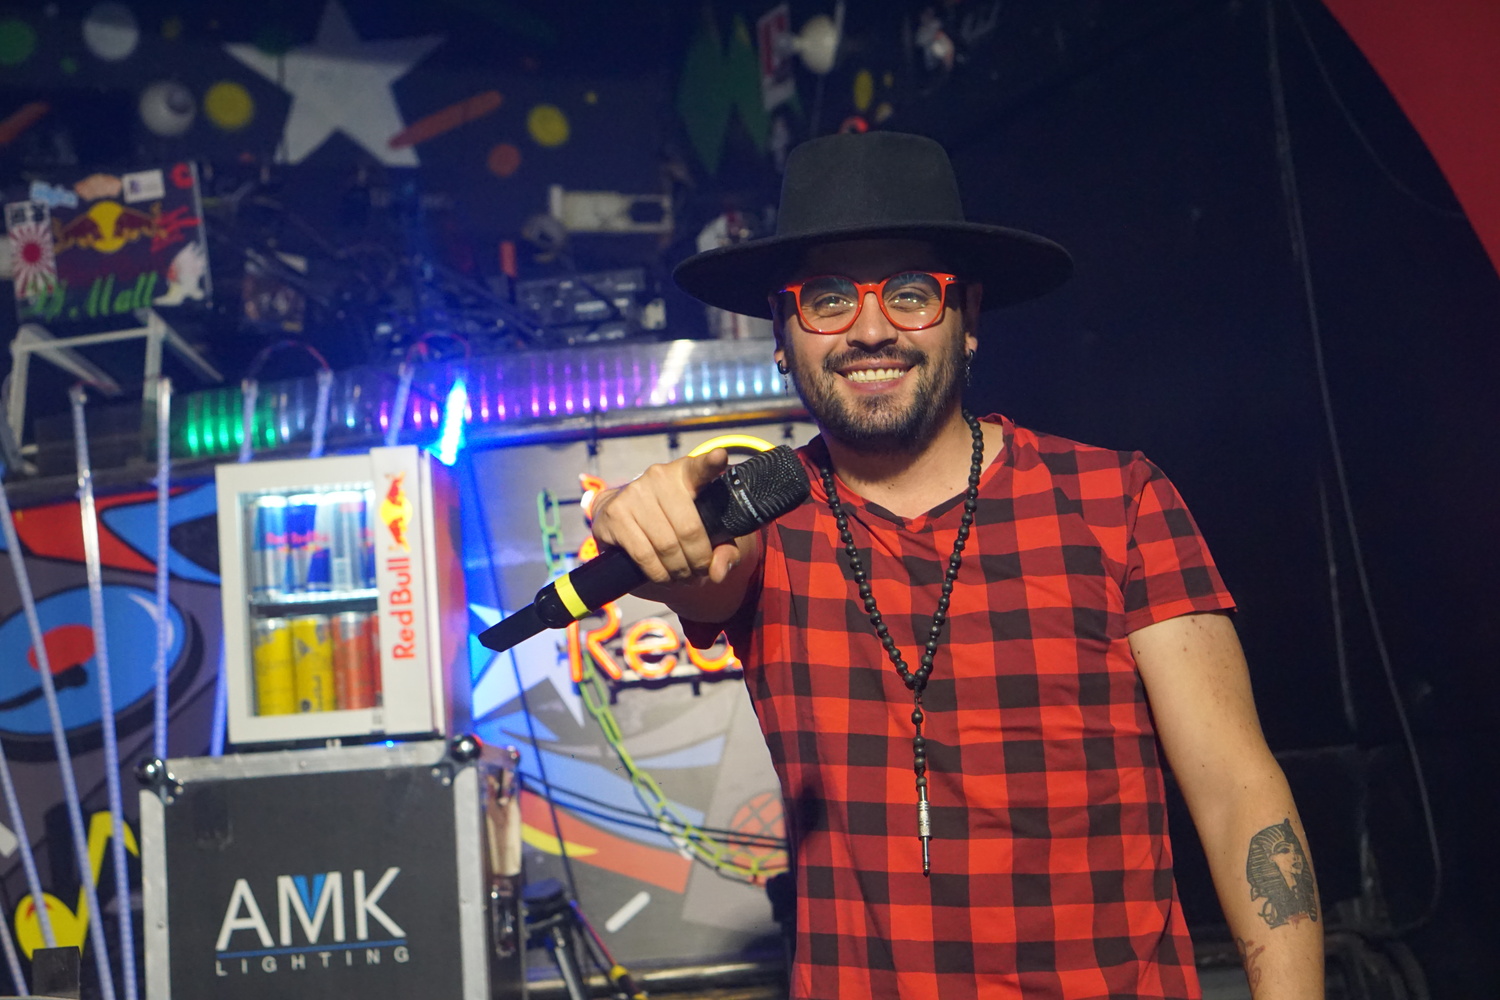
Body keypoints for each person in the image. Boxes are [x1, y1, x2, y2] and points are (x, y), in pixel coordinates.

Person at [589, 131, 1324, 999]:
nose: (870, 330)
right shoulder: (766, 525)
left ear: (969, 317)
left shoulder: (1116, 500)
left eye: (910, 293)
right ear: (782, 336)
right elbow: (688, 565)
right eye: (828, 299)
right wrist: (626, 515)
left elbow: (1236, 789)